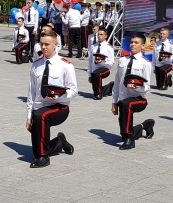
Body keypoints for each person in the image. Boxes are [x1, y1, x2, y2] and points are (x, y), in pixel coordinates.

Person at [25, 31, 77, 168]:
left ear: (55, 44)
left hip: (59, 107)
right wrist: (29, 116)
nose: (43, 47)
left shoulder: (66, 65)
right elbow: (32, 92)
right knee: (35, 151)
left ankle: (44, 158)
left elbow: (73, 90)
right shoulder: (36, 65)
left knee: (41, 115)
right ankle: (59, 142)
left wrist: (60, 95)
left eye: (47, 44)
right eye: (41, 44)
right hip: (38, 108)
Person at [112, 32, 156, 148]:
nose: (132, 45)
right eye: (131, 42)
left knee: (126, 105)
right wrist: (114, 102)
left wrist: (138, 87)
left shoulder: (145, 63)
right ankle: (146, 125)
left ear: (142, 46)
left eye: (136, 43)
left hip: (139, 99)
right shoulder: (122, 60)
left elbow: (147, 86)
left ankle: (130, 140)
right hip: (123, 100)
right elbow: (117, 83)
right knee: (124, 132)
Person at [88, 27, 115, 99]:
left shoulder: (108, 47)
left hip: (105, 68)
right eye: (98, 35)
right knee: (95, 74)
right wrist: (89, 74)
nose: (99, 36)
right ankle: (110, 87)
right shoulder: (93, 46)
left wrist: (103, 61)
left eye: (101, 34)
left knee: (97, 74)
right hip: (95, 70)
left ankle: (98, 94)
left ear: (105, 36)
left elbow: (111, 62)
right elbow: (90, 61)